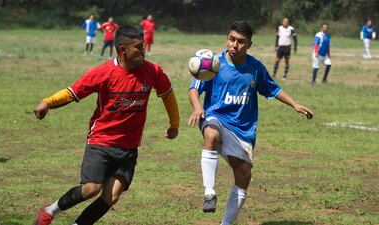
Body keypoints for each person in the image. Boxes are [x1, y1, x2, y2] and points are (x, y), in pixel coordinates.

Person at [32, 25, 180, 225]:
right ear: (122, 50)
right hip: (101, 141)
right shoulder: (104, 73)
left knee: (111, 196)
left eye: (143, 45)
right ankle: (50, 210)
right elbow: (73, 92)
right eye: (138, 47)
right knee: (91, 189)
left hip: (129, 147)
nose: (143, 50)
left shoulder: (153, 71)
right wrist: (47, 102)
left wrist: (174, 124)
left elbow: (168, 95)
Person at [188, 20, 314, 225]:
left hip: (242, 130)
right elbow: (194, 88)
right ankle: (209, 192)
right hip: (215, 117)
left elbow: (273, 89)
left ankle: (226, 223)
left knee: (244, 174)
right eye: (231, 39)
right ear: (227, 38)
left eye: (240, 41)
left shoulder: (255, 68)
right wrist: (197, 107)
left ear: (249, 45)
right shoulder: (214, 63)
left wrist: (295, 104)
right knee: (211, 134)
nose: (234, 45)